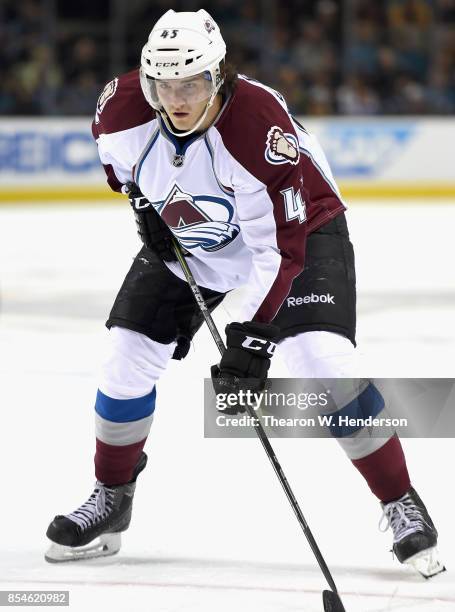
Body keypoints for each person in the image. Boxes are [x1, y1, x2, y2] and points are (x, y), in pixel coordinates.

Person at [45, 9, 442, 577]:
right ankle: (112, 494)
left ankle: (399, 498)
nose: (176, 99)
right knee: (125, 357)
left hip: (297, 236)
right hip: (193, 236)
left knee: (325, 365)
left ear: (220, 77)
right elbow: (123, 173)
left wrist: (251, 342)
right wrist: (143, 206)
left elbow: (277, 252)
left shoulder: (258, 127)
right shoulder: (120, 112)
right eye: (163, 85)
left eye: (193, 84)